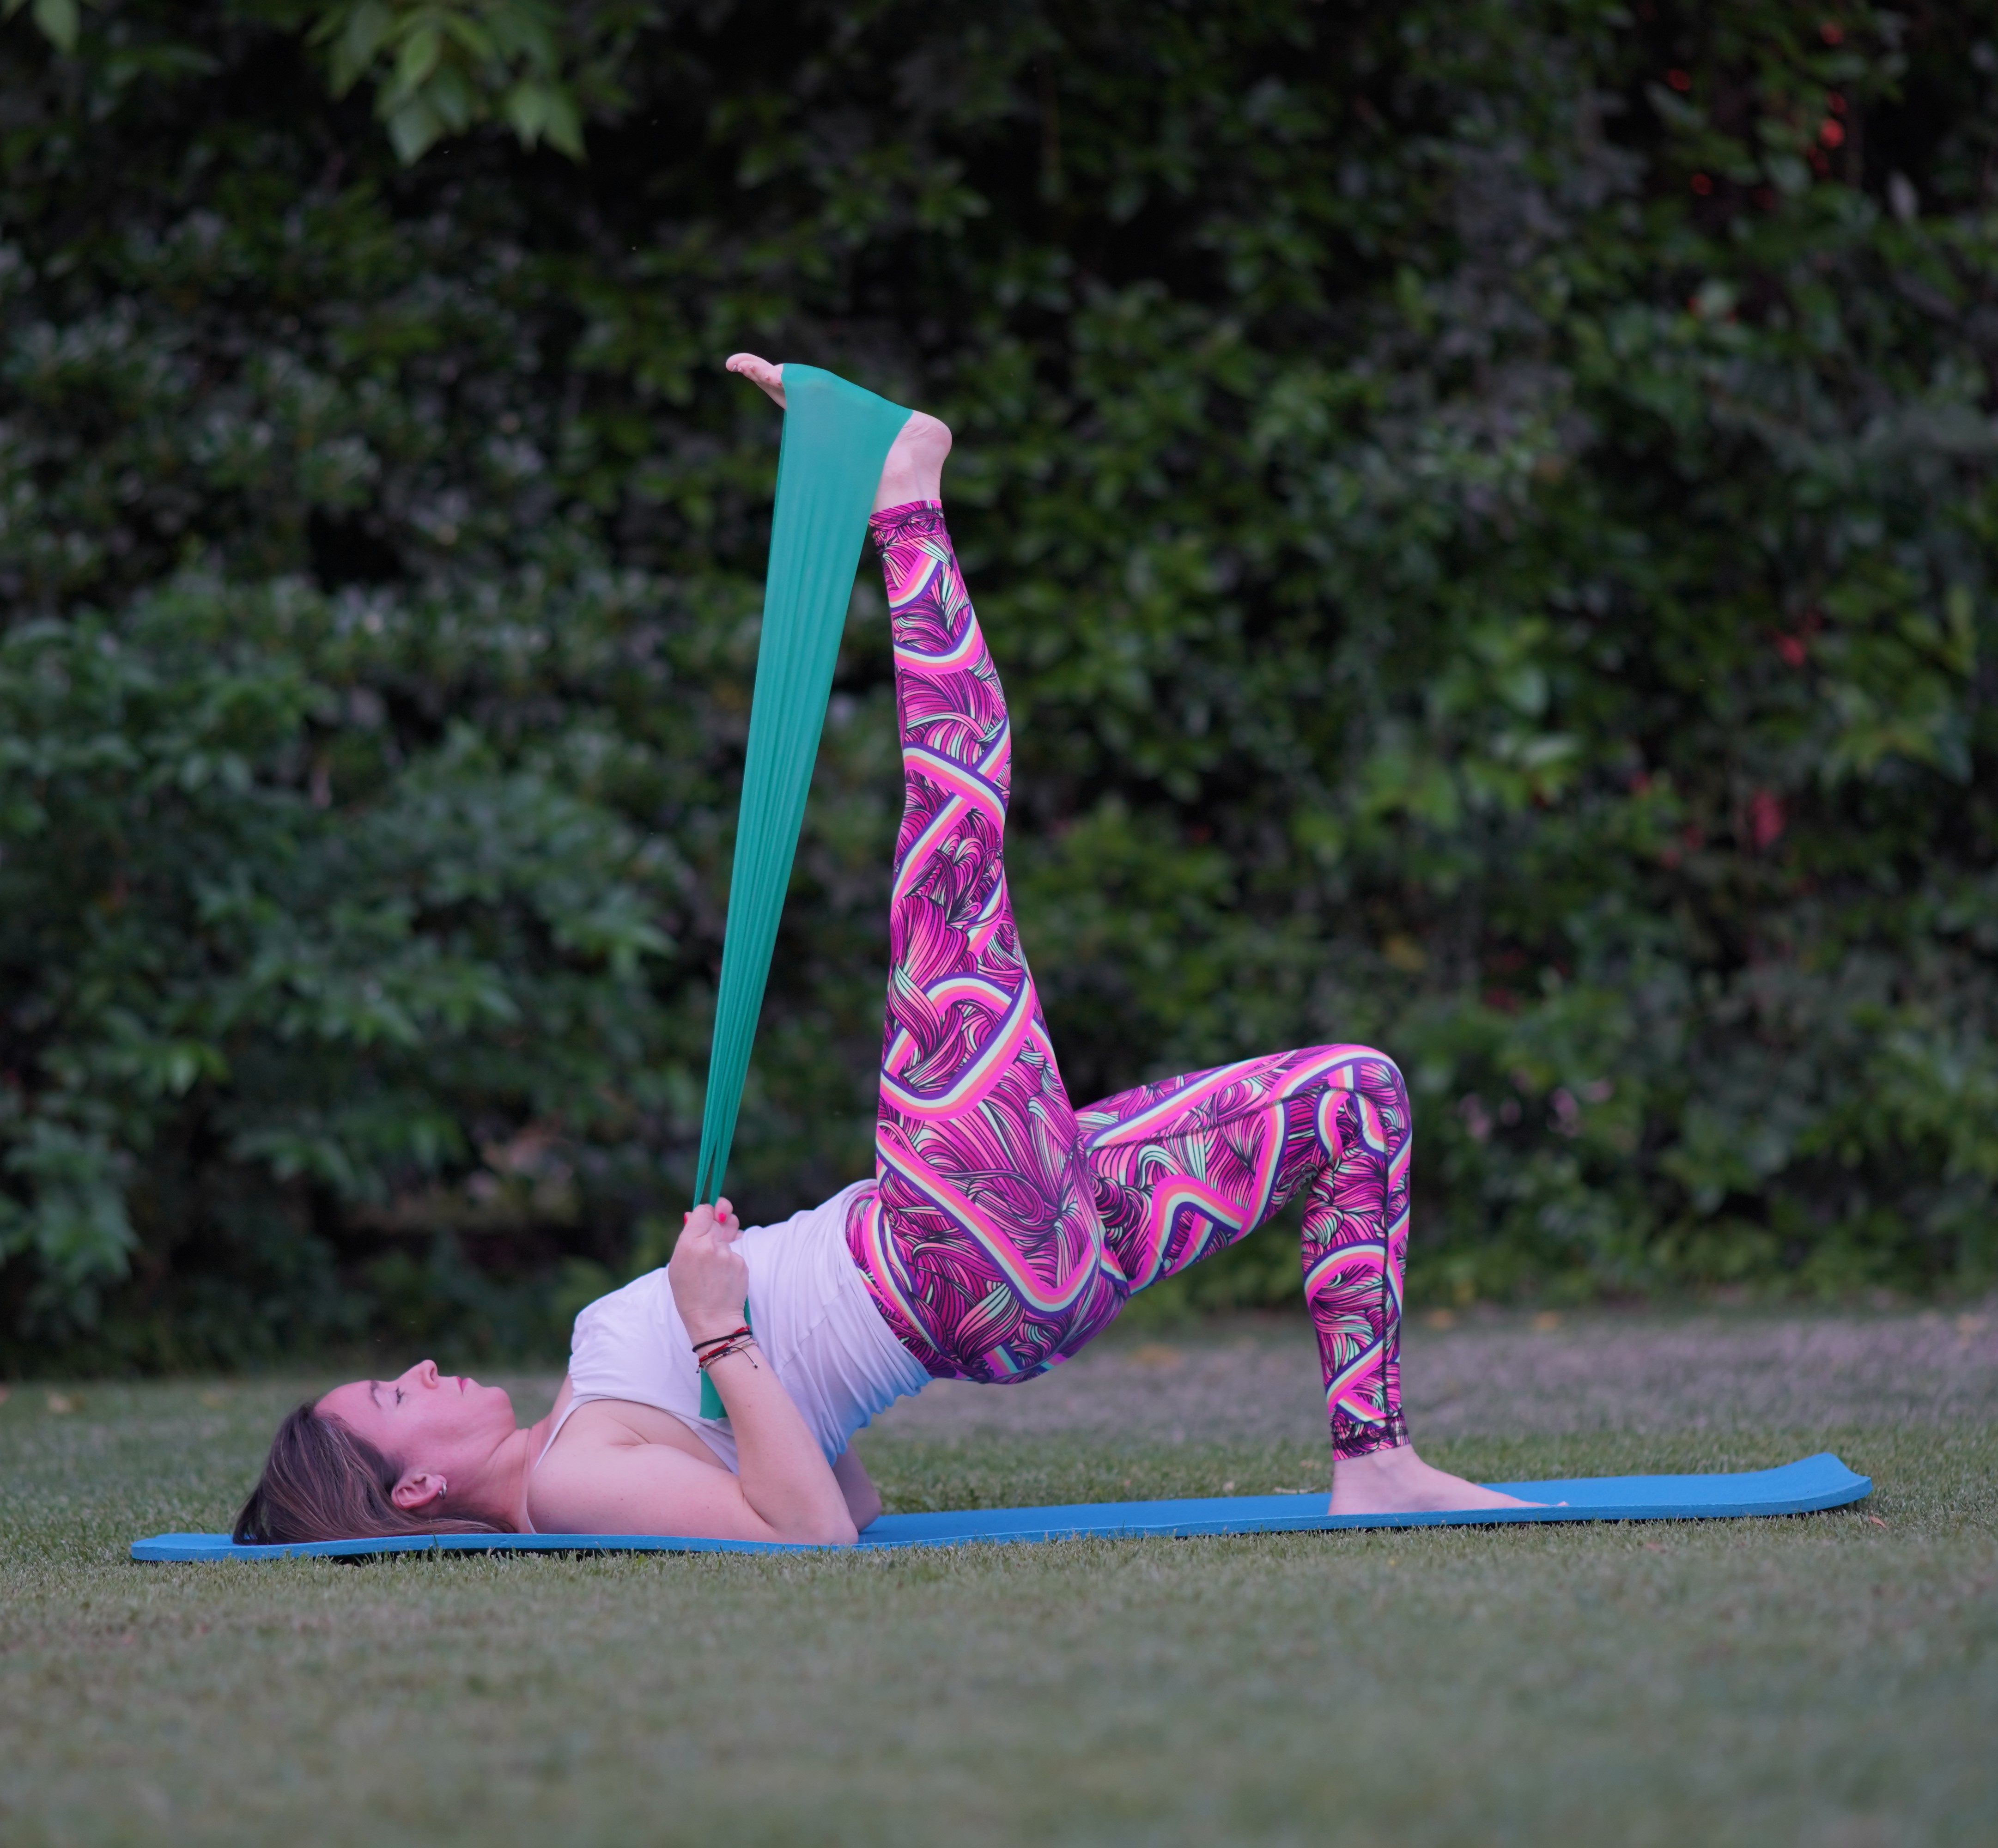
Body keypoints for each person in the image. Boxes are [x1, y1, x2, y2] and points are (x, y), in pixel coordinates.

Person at [234, 357, 1535, 1549]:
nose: (421, 1371)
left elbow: (829, 1471)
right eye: (394, 1398)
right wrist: (722, 1330)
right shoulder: (572, 1481)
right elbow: (816, 1534)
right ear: (411, 1490)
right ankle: (905, 496)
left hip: (1011, 1259)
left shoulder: (589, 1412)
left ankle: (1377, 1456)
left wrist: (747, 1361)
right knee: (950, 853)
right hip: (953, 1247)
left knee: (1354, 1094)